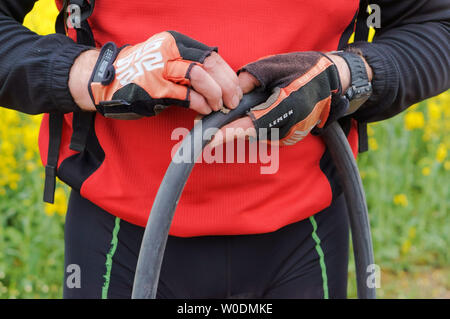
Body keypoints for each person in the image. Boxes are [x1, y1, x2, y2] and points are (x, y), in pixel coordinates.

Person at [0, 0, 448, 299]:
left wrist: (349, 73)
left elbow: (437, 22)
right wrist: (97, 73)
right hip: (119, 239)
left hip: (303, 235)